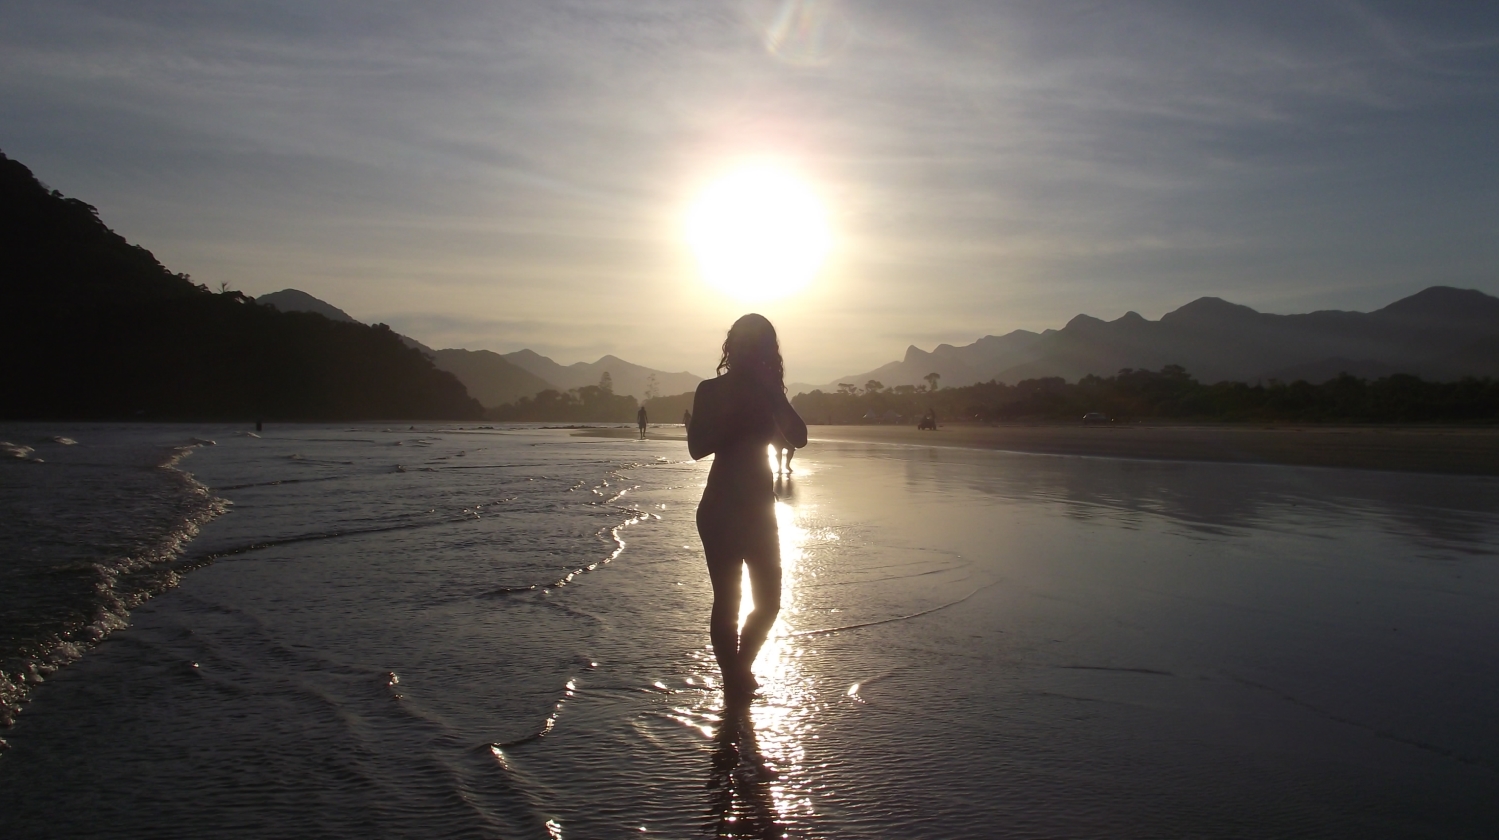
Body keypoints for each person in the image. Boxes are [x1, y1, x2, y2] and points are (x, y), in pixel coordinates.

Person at [688, 314, 808, 705]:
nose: (747, 350)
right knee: (728, 600)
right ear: (731, 346)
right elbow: (696, 448)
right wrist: (737, 418)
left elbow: (801, 439)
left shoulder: (770, 392)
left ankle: (739, 671)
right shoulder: (710, 390)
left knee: (769, 602)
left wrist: (774, 397)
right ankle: (734, 683)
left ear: (766, 351)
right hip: (720, 506)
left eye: (756, 345)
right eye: (741, 342)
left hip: (759, 509)